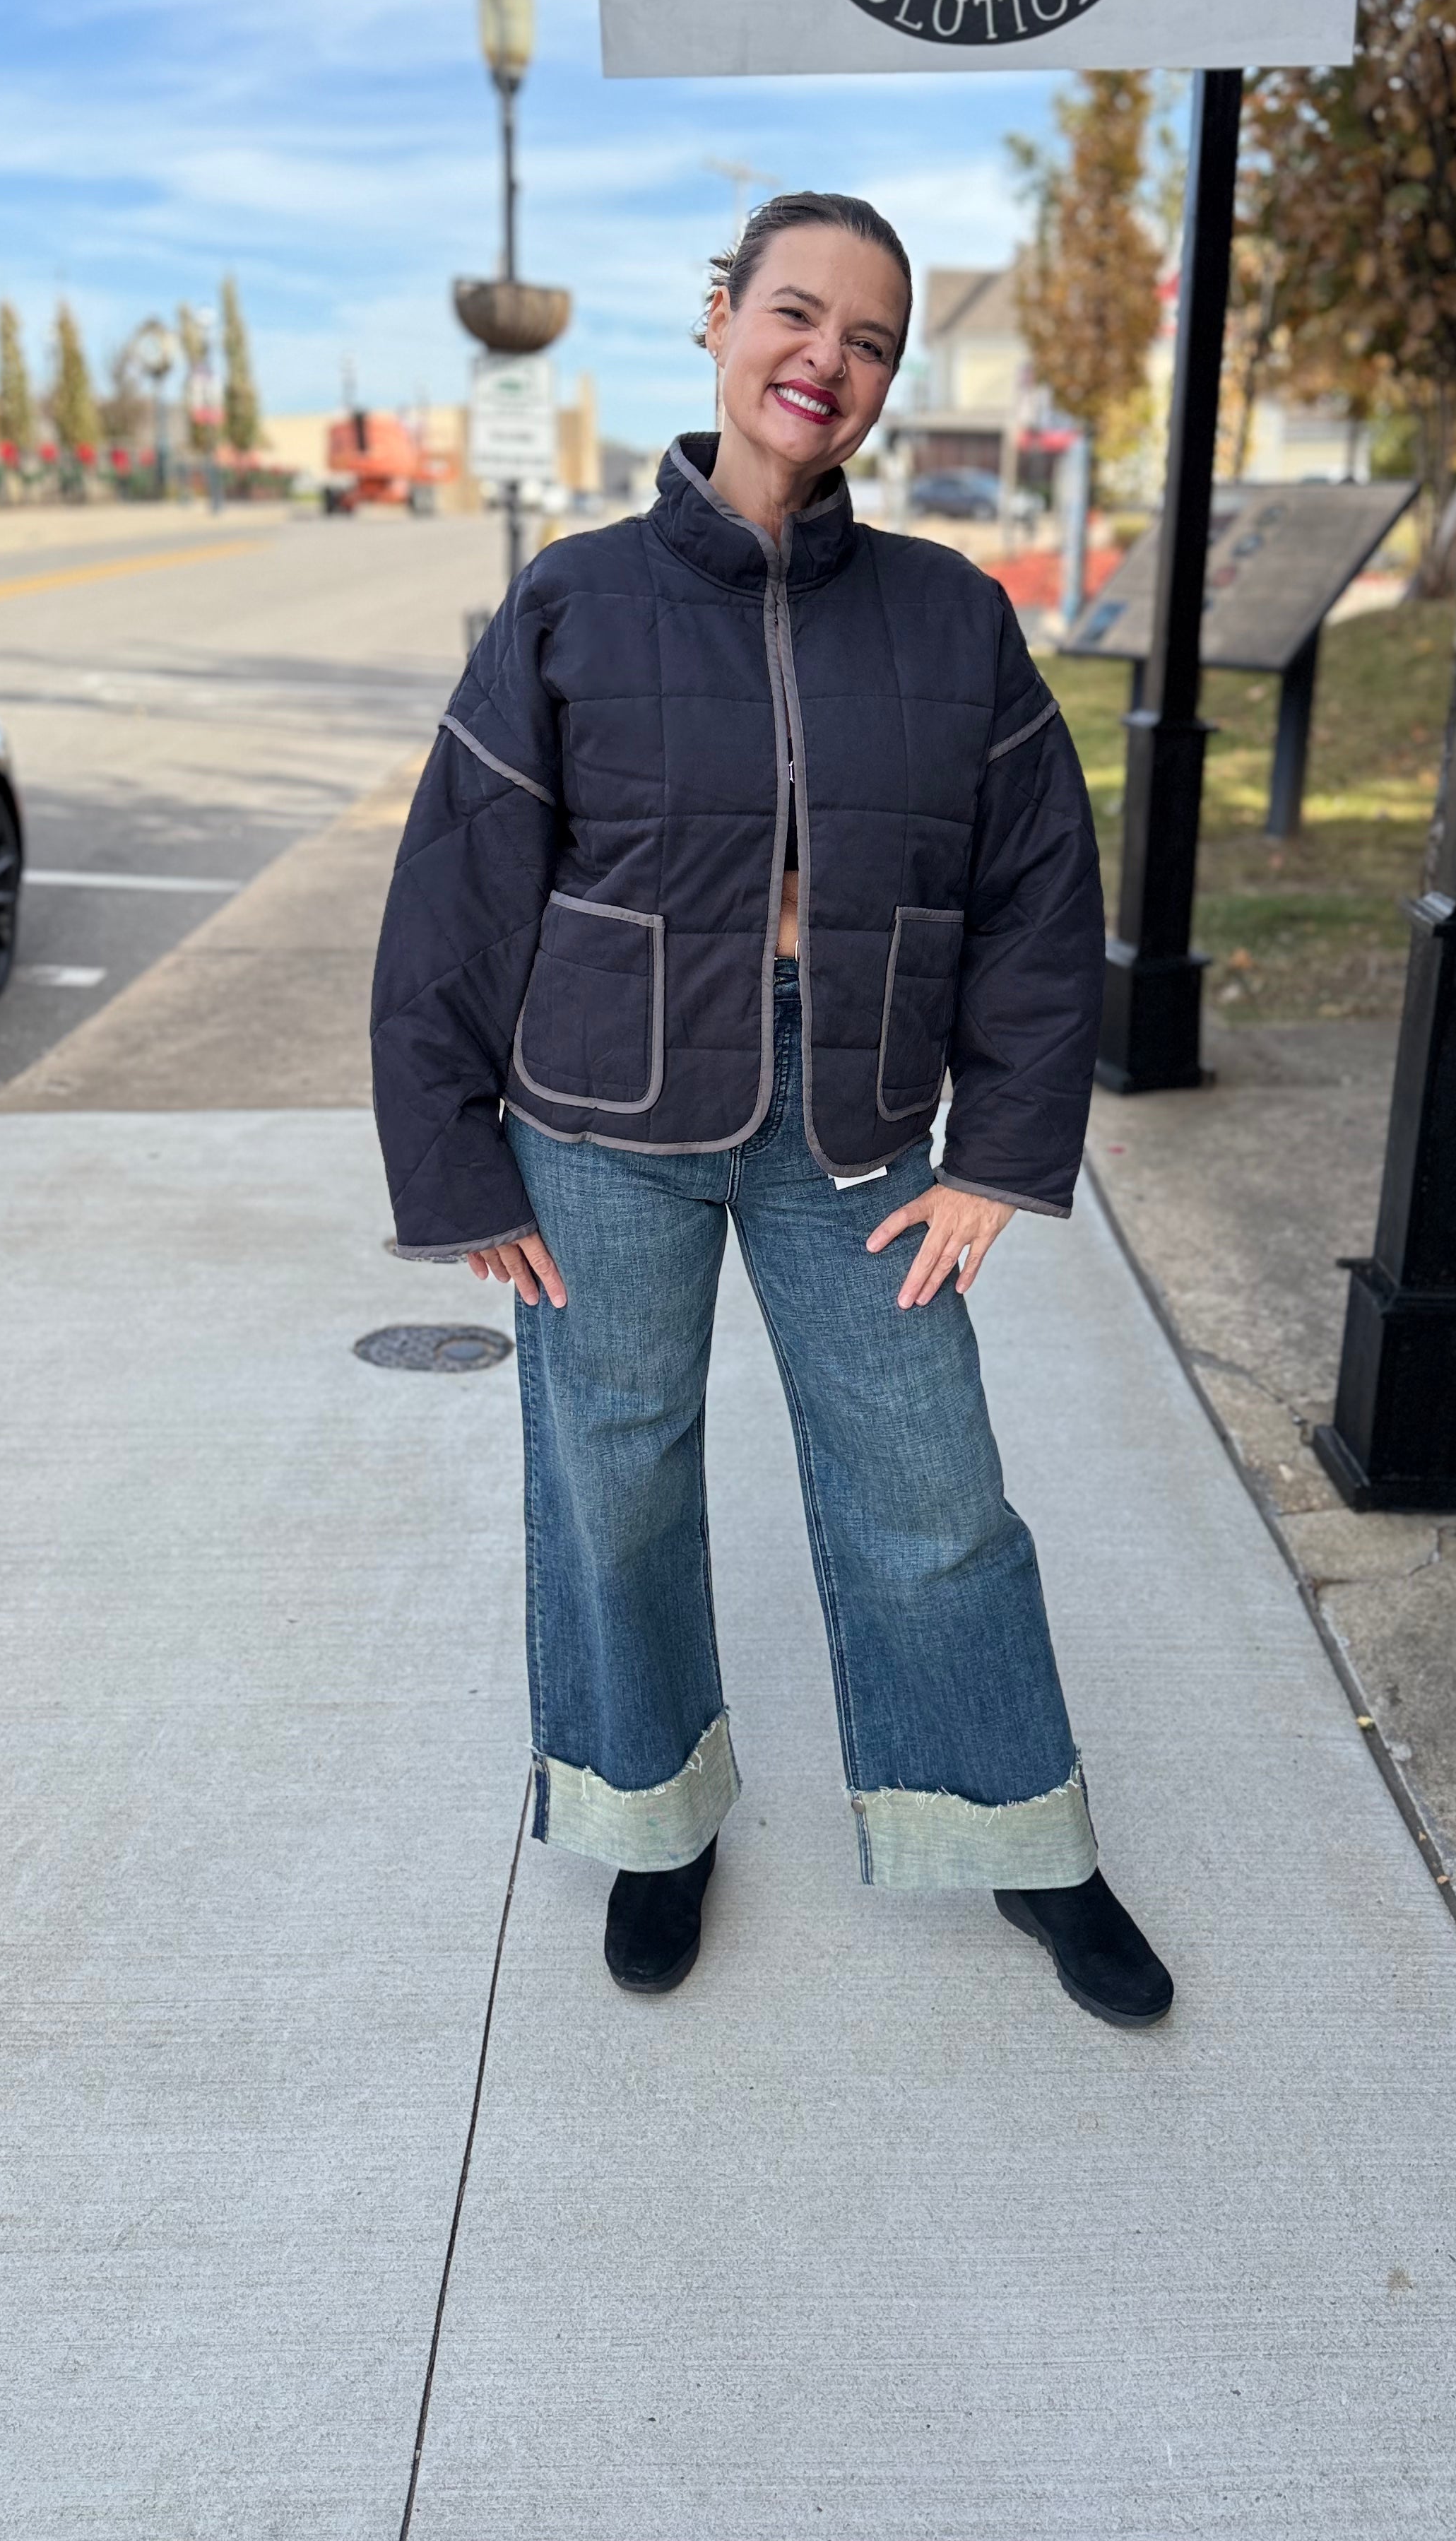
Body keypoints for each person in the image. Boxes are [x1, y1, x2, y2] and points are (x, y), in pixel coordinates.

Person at [371, 191, 1170, 2029]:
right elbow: (458, 890)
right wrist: (455, 1151)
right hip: (598, 1126)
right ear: (721, 320)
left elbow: (1047, 893)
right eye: (796, 315)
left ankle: (1017, 1839)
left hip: (856, 1122)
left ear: (887, 378)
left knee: (932, 1487)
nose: (828, 359)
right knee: (616, 1483)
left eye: (871, 337)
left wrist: (1000, 1155)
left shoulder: (951, 619)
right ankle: (655, 1823)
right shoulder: (573, 600)